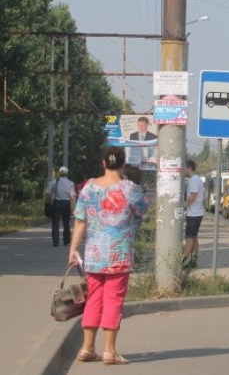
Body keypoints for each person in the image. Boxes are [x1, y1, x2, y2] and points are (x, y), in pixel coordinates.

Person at [68, 147, 148, 365]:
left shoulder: (88, 188)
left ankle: (86, 348)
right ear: (122, 164)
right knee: (113, 299)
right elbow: (143, 210)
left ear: (103, 163)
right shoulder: (130, 188)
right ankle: (109, 352)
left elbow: (80, 221)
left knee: (93, 298)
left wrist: (73, 250)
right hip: (119, 255)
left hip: (94, 255)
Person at [183, 159, 206, 269]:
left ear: (189, 168)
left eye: (184, 168)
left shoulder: (194, 180)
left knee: (189, 238)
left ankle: (183, 260)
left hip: (194, 213)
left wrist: (184, 205)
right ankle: (194, 259)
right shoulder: (196, 179)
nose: (183, 170)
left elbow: (193, 195)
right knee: (194, 237)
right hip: (197, 212)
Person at [45, 166, 76, 246]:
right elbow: (72, 196)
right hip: (66, 204)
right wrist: (74, 207)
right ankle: (66, 241)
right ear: (67, 173)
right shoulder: (70, 183)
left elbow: (48, 193)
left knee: (55, 223)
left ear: (59, 173)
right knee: (66, 223)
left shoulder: (54, 182)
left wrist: (47, 202)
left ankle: (55, 241)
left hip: (56, 203)